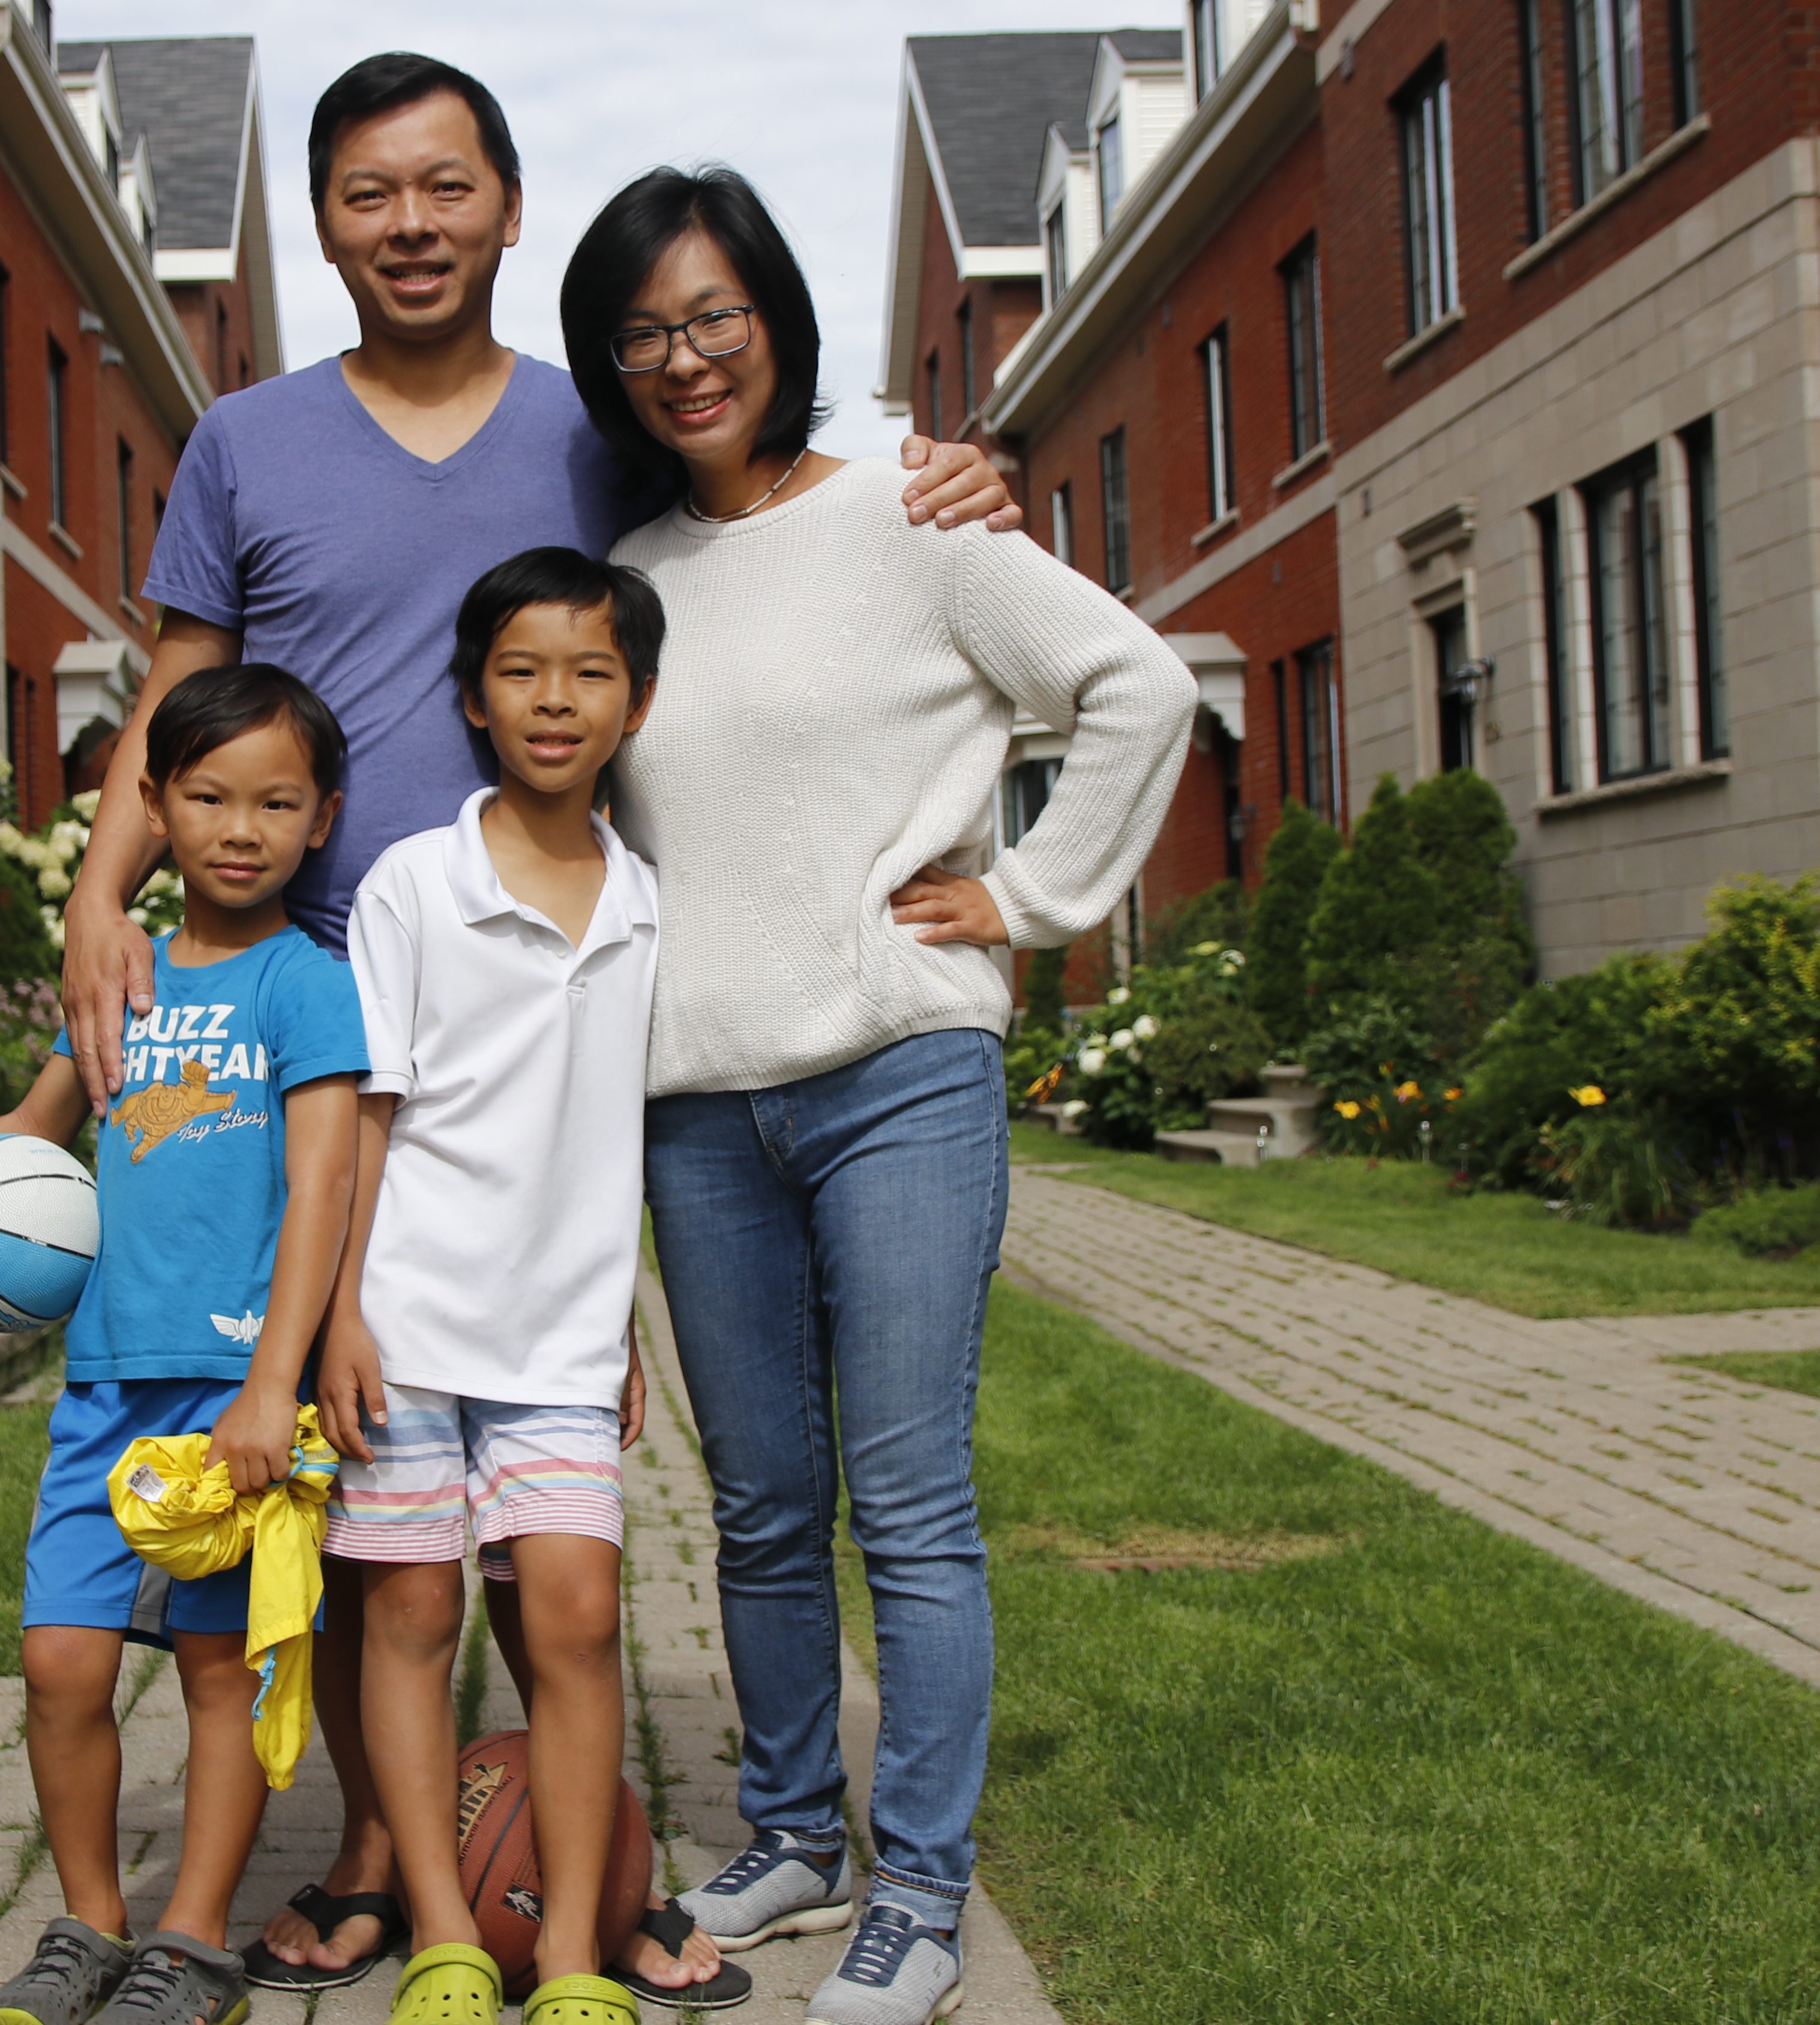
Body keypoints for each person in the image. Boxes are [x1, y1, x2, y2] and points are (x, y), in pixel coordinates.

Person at [28, 52, 1021, 1999]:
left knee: (538, 1483)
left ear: (505, 206)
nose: (412, 225)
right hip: (335, 1022)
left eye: (447, 187)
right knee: (360, 1439)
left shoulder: (598, 433)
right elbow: (182, 696)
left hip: (564, 1015)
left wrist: (947, 476)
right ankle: (392, 1858)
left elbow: (766, 501)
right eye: (370, 194)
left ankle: (528, 1871)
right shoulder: (244, 440)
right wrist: (95, 883)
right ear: (323, 220)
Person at [559, 168, 1195, 2025]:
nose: (685, 359)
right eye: (645, 332)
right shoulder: (631, 588)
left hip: (899, 1078)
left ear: (777, 320)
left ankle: (918, 1884)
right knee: (760, 1508)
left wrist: (1034, 900)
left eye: (714, 316)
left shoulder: (919, 520)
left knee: (908, 1506)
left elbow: (1136, 687)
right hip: (702, 1111)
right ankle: (792, 1833)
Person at [0, 666, 372, 2025]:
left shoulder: (304, 986)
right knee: (60, 1662)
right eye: (206, 796)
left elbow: (325, 1188)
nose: (239, 827)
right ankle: (90, 1920)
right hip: (102, 1383)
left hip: (231, 1395)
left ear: (322, 817)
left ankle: (193, 1939)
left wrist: (277, 1381)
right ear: (150, 806)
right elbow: (37, 1125)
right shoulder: (124, 972)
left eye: (276, 801)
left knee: (221, 1669)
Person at [319, 547, 679, 2025]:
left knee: (577, 1615)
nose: (555, 698)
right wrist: (341, 1314)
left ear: (637, 703)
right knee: (410, 1616)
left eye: (591, 672)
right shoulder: (415, 881)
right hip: (406, 1323)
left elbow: (623, 1133)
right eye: (523, 670)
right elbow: (369, 1115)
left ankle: (579, 1954)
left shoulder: (651, 899)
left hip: (562, 1336)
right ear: (474, 696)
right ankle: (453, 1935)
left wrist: (630, 1317)